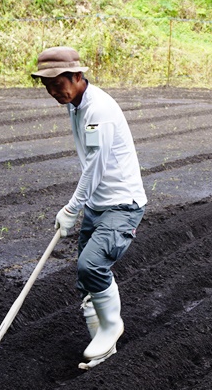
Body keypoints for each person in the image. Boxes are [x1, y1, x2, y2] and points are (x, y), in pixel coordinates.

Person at [31, 46, 147, 369]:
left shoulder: (99, 111)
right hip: (98, 205)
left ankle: (112, 327)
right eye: (47, 86)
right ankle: (104, 351)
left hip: (122, 205)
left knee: (92, 266)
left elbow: (94, 167)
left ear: (78, 76)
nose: (54, 92)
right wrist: (83, 208)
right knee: (85, 279)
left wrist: (71, 208)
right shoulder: (76, 105)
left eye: (58, 84)